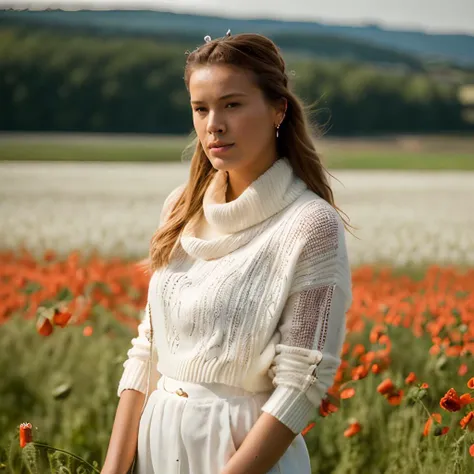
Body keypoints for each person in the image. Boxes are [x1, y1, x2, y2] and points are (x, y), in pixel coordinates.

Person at [102, 31, 352, 474]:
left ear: (279, 109)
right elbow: (148, 349)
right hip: (156, 444)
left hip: (241, 455)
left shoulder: (310, 225)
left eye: (232, 105)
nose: (213, 124)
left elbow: (302, 384)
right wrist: (114, 468)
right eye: (201, 108)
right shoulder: (180, 208)